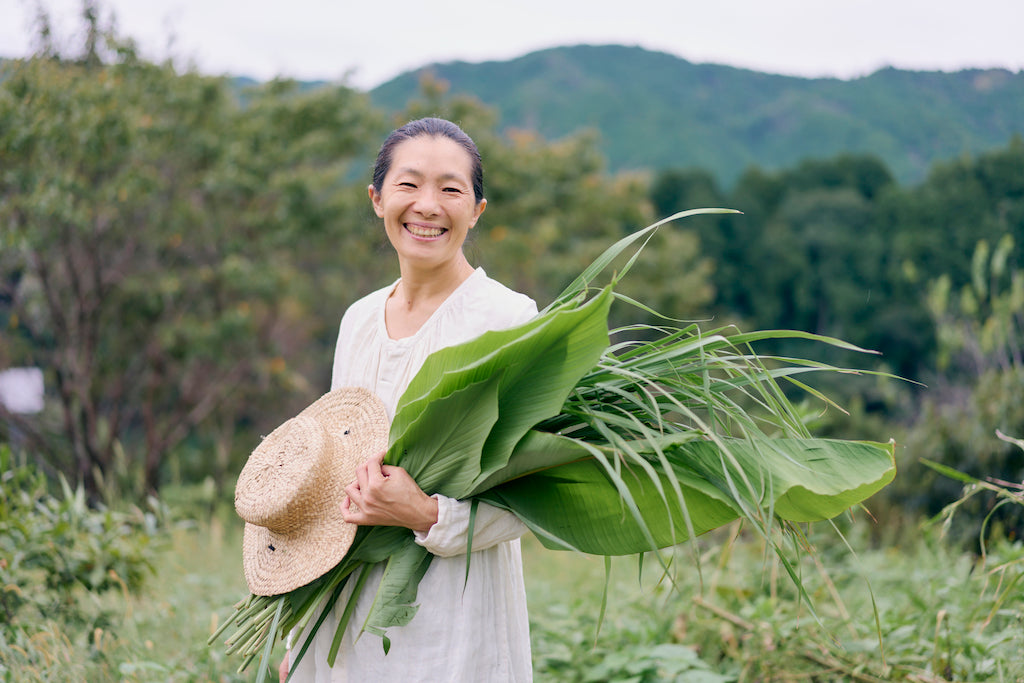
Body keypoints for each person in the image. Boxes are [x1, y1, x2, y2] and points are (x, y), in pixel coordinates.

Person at [280, 117, 538, 682]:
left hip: (456, 617)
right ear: (376, 199)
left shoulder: (509, 320)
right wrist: (300, 635)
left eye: (450, 189)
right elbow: (332, 484)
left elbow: (533, 498)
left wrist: (424, 513)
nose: (427, 205)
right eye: (408, 184)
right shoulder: (359, 320)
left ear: (476, 210)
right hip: (343, 616)